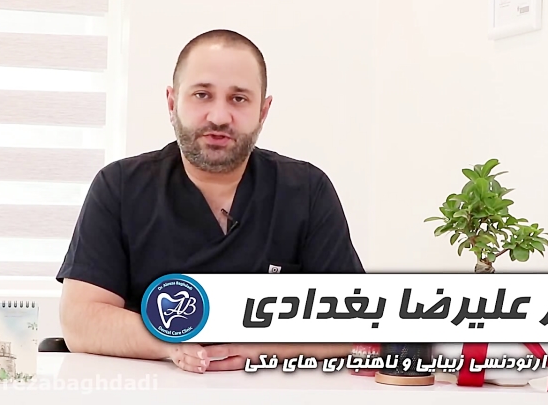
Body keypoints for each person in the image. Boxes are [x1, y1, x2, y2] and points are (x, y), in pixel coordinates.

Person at [56, 29, 364, 373]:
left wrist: (262, 347)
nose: (219, 116)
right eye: (202, 95)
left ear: (263, 111)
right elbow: (80, 319)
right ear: (172, 102)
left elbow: (355, 321)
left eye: (239, 99)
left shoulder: (306, 190)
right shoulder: (120, 186)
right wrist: (170, 341)